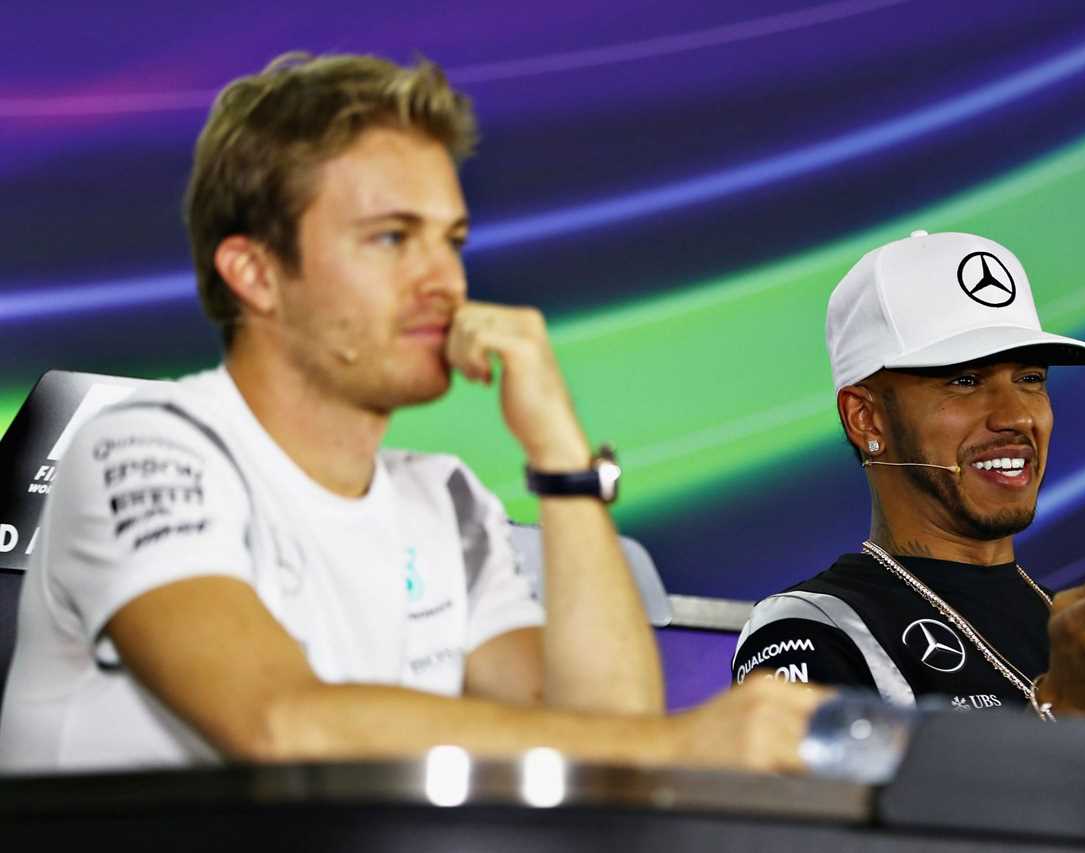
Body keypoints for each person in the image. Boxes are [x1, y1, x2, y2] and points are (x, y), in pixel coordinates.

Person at [0, 52, 823, 773]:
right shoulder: (136, 448)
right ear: (253, 272)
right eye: (393, 239)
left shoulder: (446, 499)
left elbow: (603, 733)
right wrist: (683, 744)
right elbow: (277, 722)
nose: (445, 281)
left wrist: (561, 454)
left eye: (452, 240)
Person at [732, 230, 1085, 723]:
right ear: (868, 419)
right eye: (964, 381)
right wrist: (1069, 709)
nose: (1016, 416)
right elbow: (832, 804)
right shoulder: (811, 628)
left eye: (1030, 379)